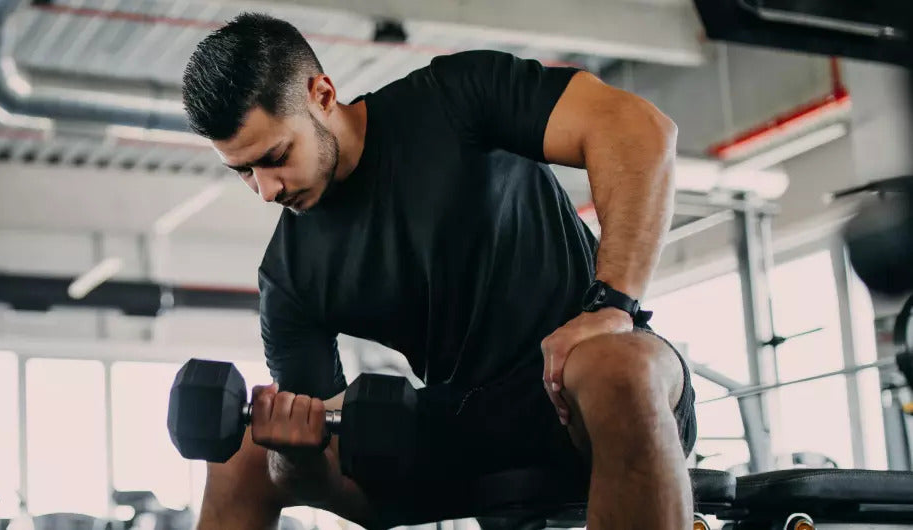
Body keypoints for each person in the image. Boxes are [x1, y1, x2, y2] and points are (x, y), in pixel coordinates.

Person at [181, 12, 697, 530]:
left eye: (275, 156)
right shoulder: (288, 275)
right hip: (464, 427)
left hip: (588, 392)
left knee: (617, 366)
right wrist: (293, 453)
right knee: (243, 455)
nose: (266, 190)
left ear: (321, 94)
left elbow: (637, 128)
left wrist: (611, 307)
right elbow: (328, 468)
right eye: (243, 171)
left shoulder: (453, 98)